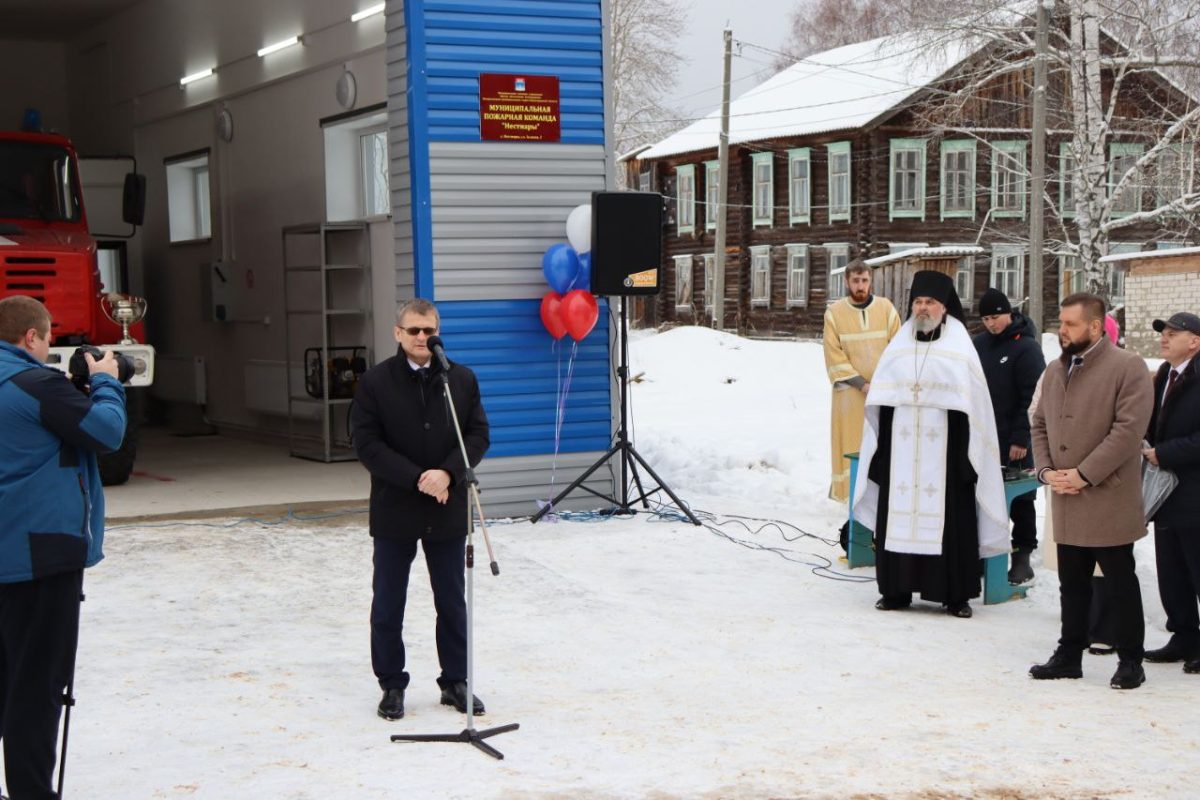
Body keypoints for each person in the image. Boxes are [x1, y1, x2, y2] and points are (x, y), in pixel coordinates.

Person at [0, 295, 126, 799]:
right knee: (37, 683)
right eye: (49, 336)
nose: (51, 345)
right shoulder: (36, 383)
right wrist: (108, 382)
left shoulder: (27, 386)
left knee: (7, 677)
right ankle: (32, 790)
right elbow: (106, 432)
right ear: (31, 337)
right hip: (41, 555)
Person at [351, 298, 490, 721]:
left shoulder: (459, 379)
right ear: (398, 334)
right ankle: (392, 684)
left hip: (446, 507)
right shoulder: (375, 382)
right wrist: (417, 478)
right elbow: (367, 444)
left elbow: (477, 435)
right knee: (389, 600)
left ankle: (455, 681)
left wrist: (447, 473)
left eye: (429, 330)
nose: (422, 338)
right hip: (396, 507)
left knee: (451, 598)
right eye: (413, 331)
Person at [853, 271, 1008, 618]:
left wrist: (966, 457)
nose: (923, 309)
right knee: (897, 516)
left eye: (930, 302)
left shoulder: (959, 349)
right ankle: (896, 591)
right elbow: (881, 404)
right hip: (901, 453)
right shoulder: (899, 348)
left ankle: (955, 595)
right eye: (918, 302)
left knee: (952, 521)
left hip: (948, 457)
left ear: (945, 307)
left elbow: (975, 409)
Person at [1030, 293, 1154, 690]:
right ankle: (1069, 654)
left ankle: (1131, 660)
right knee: (1073, 582)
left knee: (1119, 580)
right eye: (1061, 323)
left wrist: (1084, 474)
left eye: (1070, 324)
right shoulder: (1055, 370)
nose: (1061, 331)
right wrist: (1047, 470)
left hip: (1107, 495)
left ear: (1096, 327)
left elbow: (1128, 431)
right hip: (1064, 494)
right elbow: (1038, 424)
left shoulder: (1127, 367)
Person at [972, 288, 1046, 583]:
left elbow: (1032, 397)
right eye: (987, 318)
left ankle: (1022, 555)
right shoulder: (979, 345)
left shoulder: (1026, 347)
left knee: (1021, 500)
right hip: (984, 436)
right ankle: (984, 554)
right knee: (984, 496)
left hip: (1014, 439)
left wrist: (1020, 438)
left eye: (997, 316)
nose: (992, 323)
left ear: (1009, 313)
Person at [1141, 311, 1200, 673]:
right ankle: (1184, 636)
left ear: (1194, 341)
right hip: (1165, 492)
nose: (1164, 337)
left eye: (1173, 333)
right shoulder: (1165, 374)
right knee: (1172, 569)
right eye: (1163, 332)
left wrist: (1165, 453)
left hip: (1194, 491)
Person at [822, 260, 900, 506]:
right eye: (855, 280)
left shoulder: (886, 309)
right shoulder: (834, 313)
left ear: (870, 281)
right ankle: (849, 494)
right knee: (851, 442)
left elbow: (898, 348)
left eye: (864, 280)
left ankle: (881, 495)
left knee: (882, 441)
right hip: (850, 393)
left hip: (884, 392)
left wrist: (883, 383)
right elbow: (833, 354)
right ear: (847, 281)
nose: (860, 285)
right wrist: (861, 384)